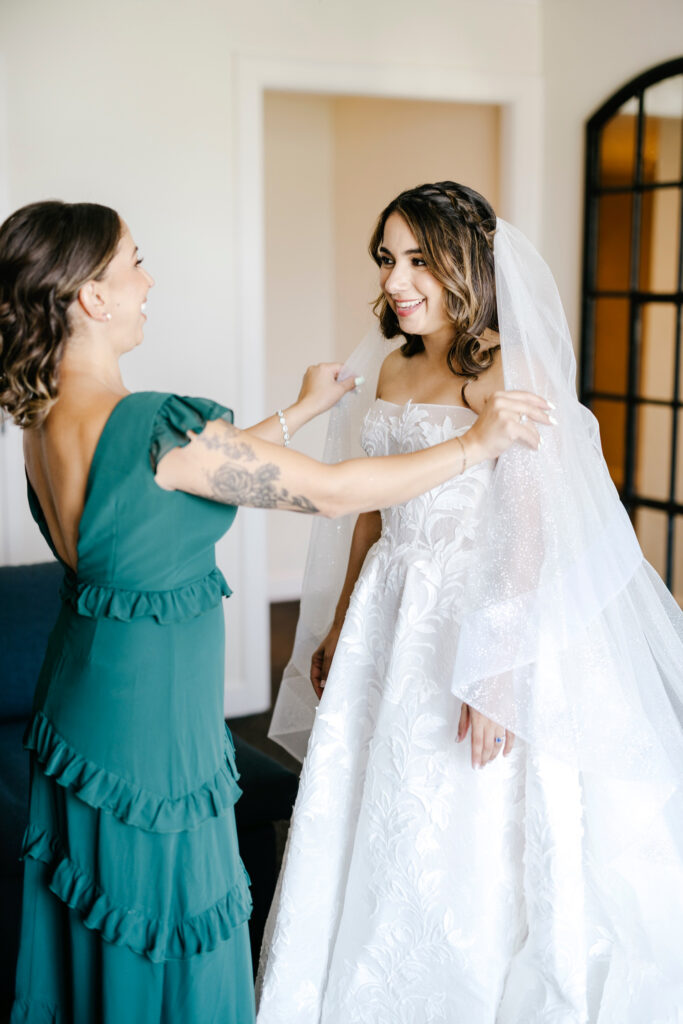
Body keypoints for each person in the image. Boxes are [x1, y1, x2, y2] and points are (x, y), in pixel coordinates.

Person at [0, 199, 547, 1024]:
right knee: (164, 921)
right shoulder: (148, 422)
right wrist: (472, 447)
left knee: (100, 917)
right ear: (91, 299)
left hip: (77, 706)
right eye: (133, 263)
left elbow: (188, 473)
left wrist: (303, 410)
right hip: (148, 724)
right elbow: (328, 496)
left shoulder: (46, 422)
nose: (149, 280)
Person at [257, 182, 683, 1023]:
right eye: (386, 259)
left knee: (462, 804)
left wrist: (497, 670)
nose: (397, 280)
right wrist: (344, 619)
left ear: (467, 264)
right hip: (392, 604)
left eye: (418, 259)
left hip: (476, 611)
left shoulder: (505, 368)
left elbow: (527, 533)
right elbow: (372, 511)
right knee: (373, 796)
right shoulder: (391, 365)